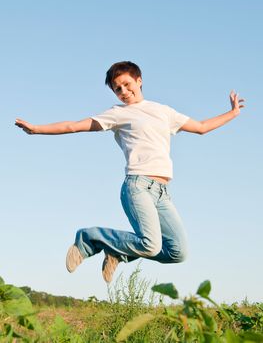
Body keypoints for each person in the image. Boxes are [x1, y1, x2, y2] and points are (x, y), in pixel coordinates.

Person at [15, 61, 245, 283]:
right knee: (151, 244)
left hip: (162, 192)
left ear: (139, 80)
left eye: (127, 84)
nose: (123, 91)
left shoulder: (163, 111)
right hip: (138, 186)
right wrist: (37, 129)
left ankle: (118, 253)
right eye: (117, 89)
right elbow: (74, 126)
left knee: (178, 252)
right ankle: (89, 238)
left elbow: (202, 128)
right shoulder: (118, 113)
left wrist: (233, 113)